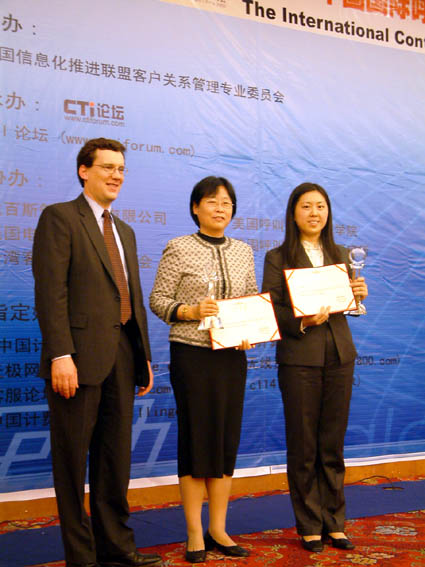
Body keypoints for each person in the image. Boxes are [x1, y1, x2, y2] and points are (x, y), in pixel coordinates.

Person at [32, 138, 162, 567]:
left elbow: (132, 297)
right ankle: (81, 556)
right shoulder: (60, 218)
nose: (116, 175)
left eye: (121, 168)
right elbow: (51, 292)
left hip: (123, 357)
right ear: (84, 171)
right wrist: (60, 354)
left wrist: (142, 355)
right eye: (107, 167)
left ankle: (117, 548)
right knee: (72, 464)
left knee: (114, 459)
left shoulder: (125, 231)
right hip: (77, 359)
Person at [150, 176, 257, 563]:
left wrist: (249, 332)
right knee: (197, 439)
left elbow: (251, 302)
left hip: (231, 358)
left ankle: (219, 528)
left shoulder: (244, 251)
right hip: (192, 355)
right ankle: (195, 531)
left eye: (227, 202)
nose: (220, 208)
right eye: (212, 201)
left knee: (226, 438)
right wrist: (191, 311)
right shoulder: (178, 247)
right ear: (196, 207)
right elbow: (158, 300)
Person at [262, 182, 368, 553]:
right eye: (306, 206)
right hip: (299, 358)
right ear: (293, 213)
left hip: (339, 355)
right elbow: (272, 308)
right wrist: (302, 321)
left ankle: (334, 523)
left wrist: (357, 297)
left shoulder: (342, 254)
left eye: (320, 206)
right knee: (304, 444)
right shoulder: (278, 257)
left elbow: (348, 306)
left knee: (332, 444)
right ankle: (309, 524)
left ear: (328, 212)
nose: (314, 213)